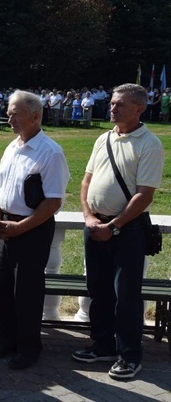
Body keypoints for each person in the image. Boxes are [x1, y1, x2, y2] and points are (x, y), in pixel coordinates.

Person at [71, 84, 164, 380]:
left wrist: (114, 226)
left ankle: (129, 355)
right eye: (112, 103)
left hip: (126, 230)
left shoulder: (149, 144)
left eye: (119, 105)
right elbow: (86, 181)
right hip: (96, 225)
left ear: (139, 109)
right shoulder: (103, 138)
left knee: (126, 295)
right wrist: (88, 217)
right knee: (97, 289)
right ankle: (103, 345)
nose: (112, 109)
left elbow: (144, 195)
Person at [0, 90, 70, 369]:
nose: (9, 118)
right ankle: (7, 340)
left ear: (34, 116)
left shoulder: (51, 152)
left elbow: (53, 201)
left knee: (27, 292)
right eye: (8, 112)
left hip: (32, 230)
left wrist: (20, 227)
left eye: (14, 113)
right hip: (7, 228)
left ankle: (29, 347)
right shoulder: (13, 146)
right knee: (1, 287)